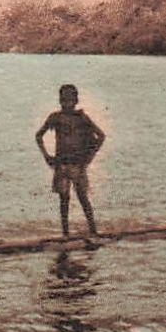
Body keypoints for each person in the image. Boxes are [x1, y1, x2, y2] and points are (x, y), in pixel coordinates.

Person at [35, 84, 106, 239]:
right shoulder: (55, 117)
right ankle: (65, 233)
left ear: (76, 100)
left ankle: (93, 230)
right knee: (64, 199)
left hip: (78, 165)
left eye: (70, 100)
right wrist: (46, 156)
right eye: (64, 100)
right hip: (61, 165)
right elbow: (39, 135)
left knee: (82, 197)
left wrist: (90, 157)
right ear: (60, 100)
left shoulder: (82, 118)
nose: (67, 103)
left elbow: (100, 136)